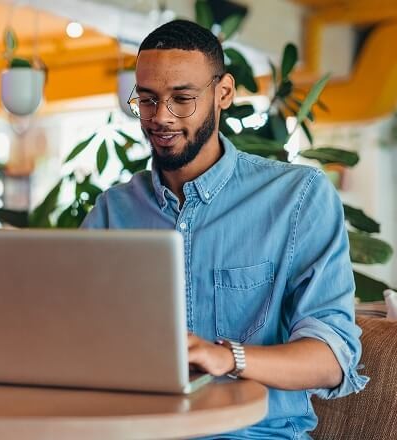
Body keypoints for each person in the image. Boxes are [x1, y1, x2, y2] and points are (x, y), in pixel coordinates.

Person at [81, 19, 368, 438]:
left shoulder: (298, 197)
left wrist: (230, 358)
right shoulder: (114, 210)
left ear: (224, 93)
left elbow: (332, 358)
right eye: (147, 100)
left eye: (182, 98)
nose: (160, 117)